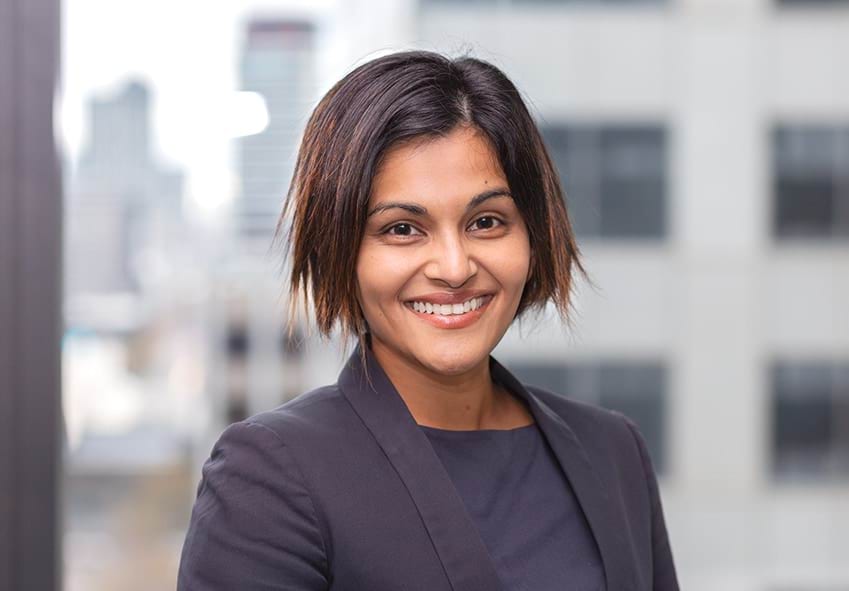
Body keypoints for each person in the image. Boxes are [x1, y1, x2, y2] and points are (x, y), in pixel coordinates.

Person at [177, 50, 680, 591]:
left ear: (534, 233)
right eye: (401, 229)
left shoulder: (612, 452)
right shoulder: (270, 478)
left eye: (487, 221)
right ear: (340, 249)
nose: (455, 267)